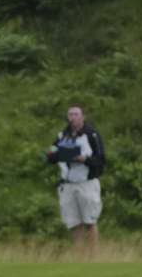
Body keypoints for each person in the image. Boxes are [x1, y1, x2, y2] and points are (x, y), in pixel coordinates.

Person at [45, 106, 106, 248]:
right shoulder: (62, 135)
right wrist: (54, 154)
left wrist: (84, 159)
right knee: (73, 223)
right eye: (70, 114)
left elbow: (101, 160)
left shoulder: (92, 135)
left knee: (90, 221)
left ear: (82, 117)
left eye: (76, 114)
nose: (73, 117)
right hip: (67, 184)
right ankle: (79, 257)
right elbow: (51, 155)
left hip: (86, 183)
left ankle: (94, 256)